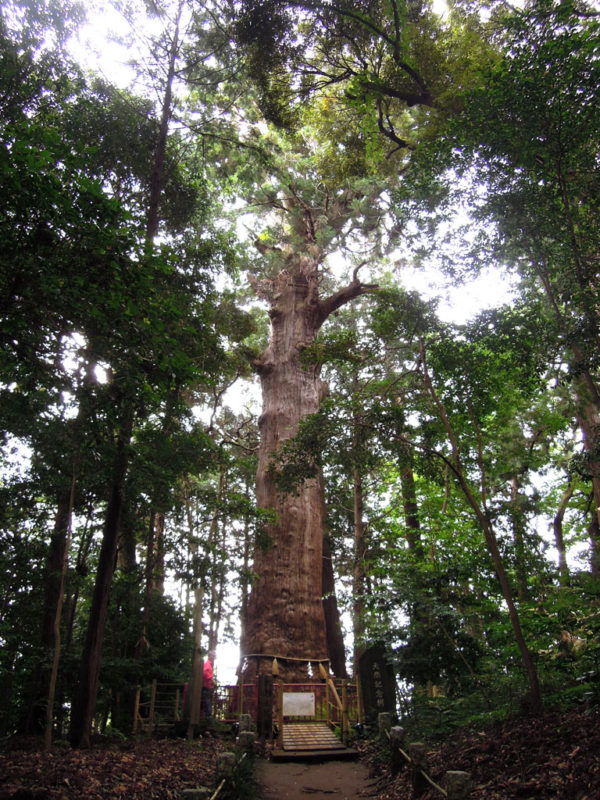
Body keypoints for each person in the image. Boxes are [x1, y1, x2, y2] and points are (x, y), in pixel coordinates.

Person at [201, 650, 215, 718]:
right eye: (213, 655)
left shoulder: (209, 664)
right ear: (209, 656)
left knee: (205, 701)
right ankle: (208, 718)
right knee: (207, 701)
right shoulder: (207, 664)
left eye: (214, 655)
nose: (214, 657)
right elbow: (204, 672)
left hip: (208, 686)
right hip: (206, 686)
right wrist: (211, 679)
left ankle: (205, 717)